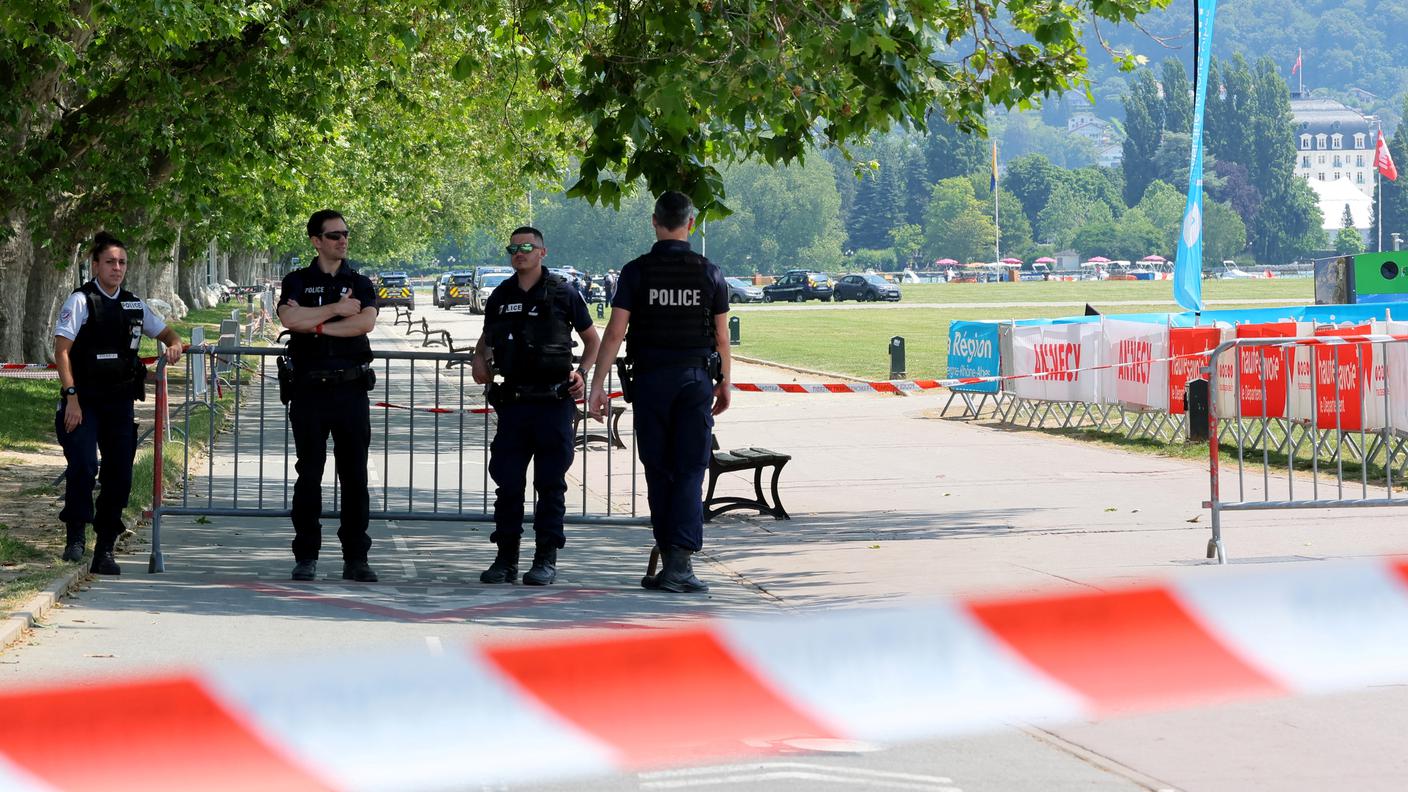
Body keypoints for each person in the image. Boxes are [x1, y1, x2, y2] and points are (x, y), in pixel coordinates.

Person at [588, 191, 731, 593]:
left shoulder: (636, 272)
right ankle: (680, 561)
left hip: (650, 381)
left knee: (658, 469)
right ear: (691, 224)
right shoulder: (709, 273)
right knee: (689, 468)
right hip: (695, 380)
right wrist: (725, 383)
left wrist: (598, 386)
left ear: (654, 222)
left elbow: (616, 333)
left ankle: (672, 558)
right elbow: (722, 337)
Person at [472, 226, 600, 586]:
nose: (519, 252)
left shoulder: (564, 293)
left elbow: (592, 340)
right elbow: (485, 340)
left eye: (526, 246)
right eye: (513, 248)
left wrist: (583, 372)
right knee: (508, 484)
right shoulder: (500, 295)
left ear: (542, 251)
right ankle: (506, 559)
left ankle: (545, 558)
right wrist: (478, 359)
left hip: (554, 403)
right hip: (513, 404)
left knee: (550, 485)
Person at [53, 232, 184, 575]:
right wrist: (71, 398)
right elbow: (62, 351)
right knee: (83, 466)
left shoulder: (133, 303)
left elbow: (168, 333)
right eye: (110, 262)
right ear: (95, 265)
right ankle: (76, 533)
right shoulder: (80, 301)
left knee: (119, 476)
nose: (117, 268)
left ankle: (106, 546)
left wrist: (174, 344)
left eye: (122, 262)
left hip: (119, 402)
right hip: (83, 401)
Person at [276, 210, 379, 583]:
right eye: (334, 235)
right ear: (316, 241)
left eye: (345, 234)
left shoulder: (360, 281)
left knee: (354, 477)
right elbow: (289, 320)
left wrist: (314, 324)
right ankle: (306, 555)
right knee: (309, 475)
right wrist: (335, 312)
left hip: (350, 389)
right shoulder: (297, 280)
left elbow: (365, 323)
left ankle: (356, 557)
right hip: (309, 390)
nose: (342, 240)